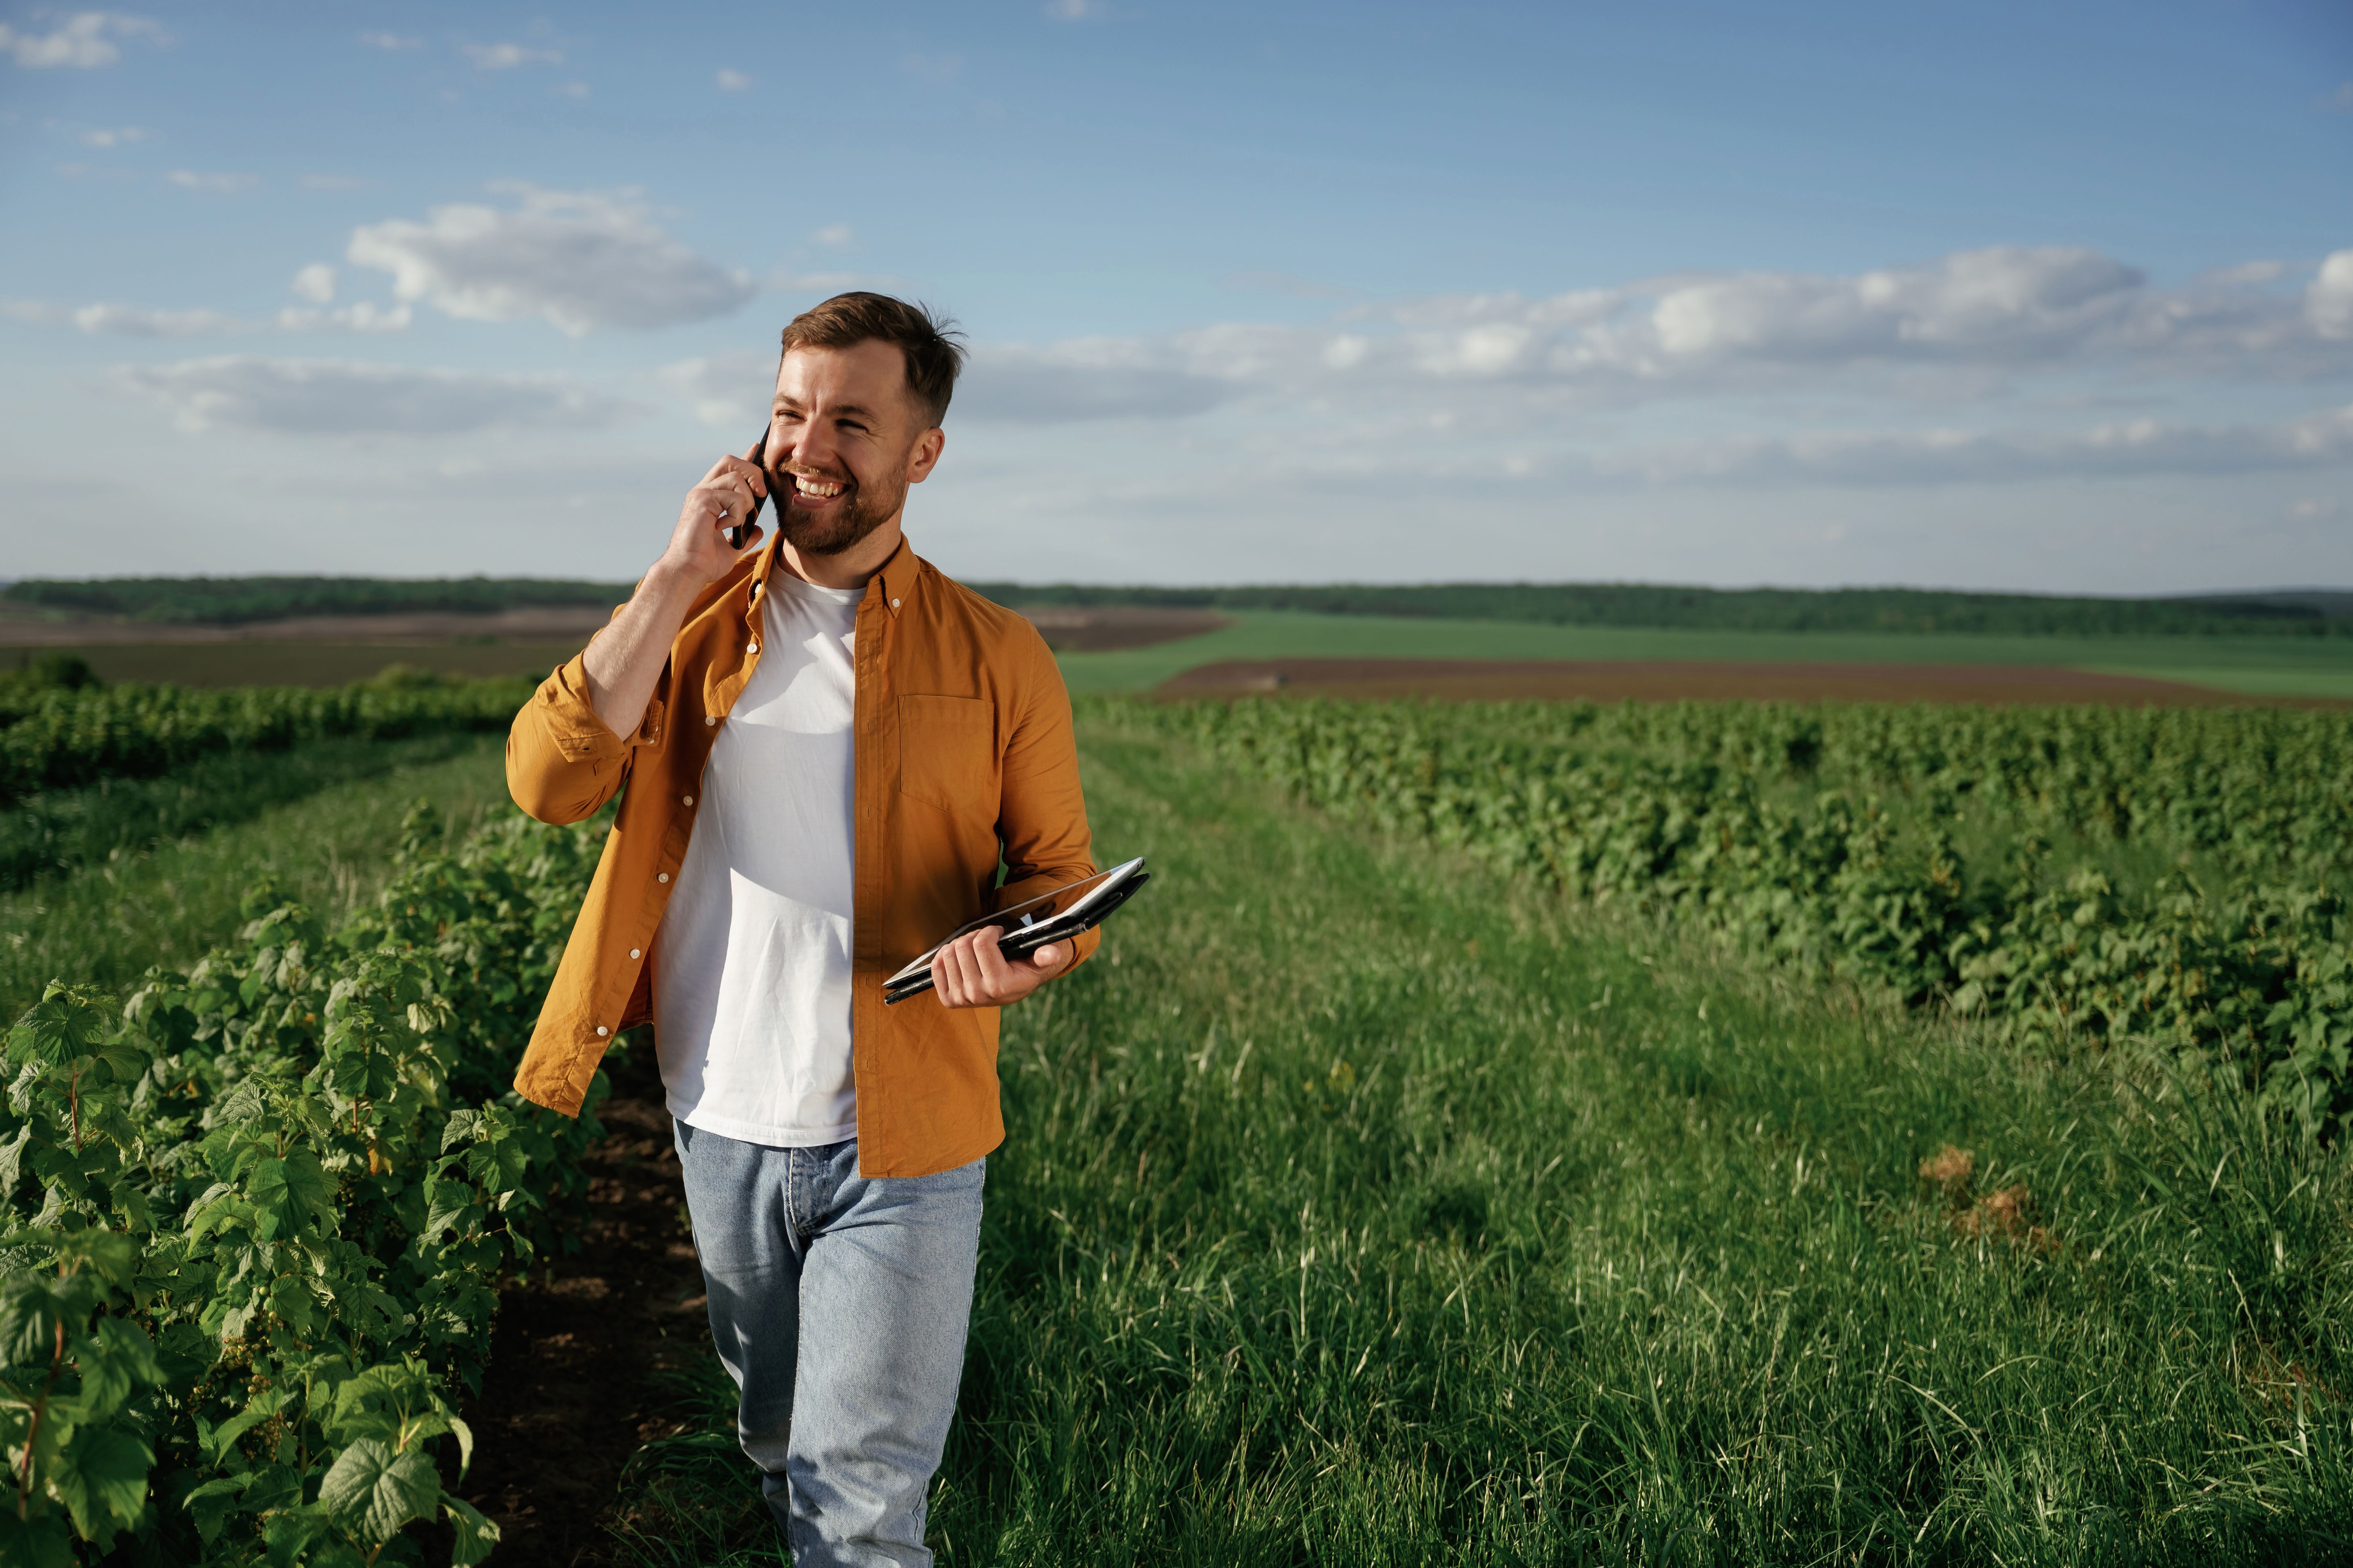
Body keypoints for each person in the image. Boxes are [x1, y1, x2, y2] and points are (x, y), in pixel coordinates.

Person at [505, 292, 1098, 1565]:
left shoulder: (1000, 654)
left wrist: (1025, 944)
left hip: (911, 1135)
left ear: (921, 454)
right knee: (779, 1448)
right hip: (719, 1113)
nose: (806, 446)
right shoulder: (693, 621)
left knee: (863, 1503)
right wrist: (673, 572)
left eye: (849, 420)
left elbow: (1055, 880)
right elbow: (548, 784)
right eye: (787, 411)